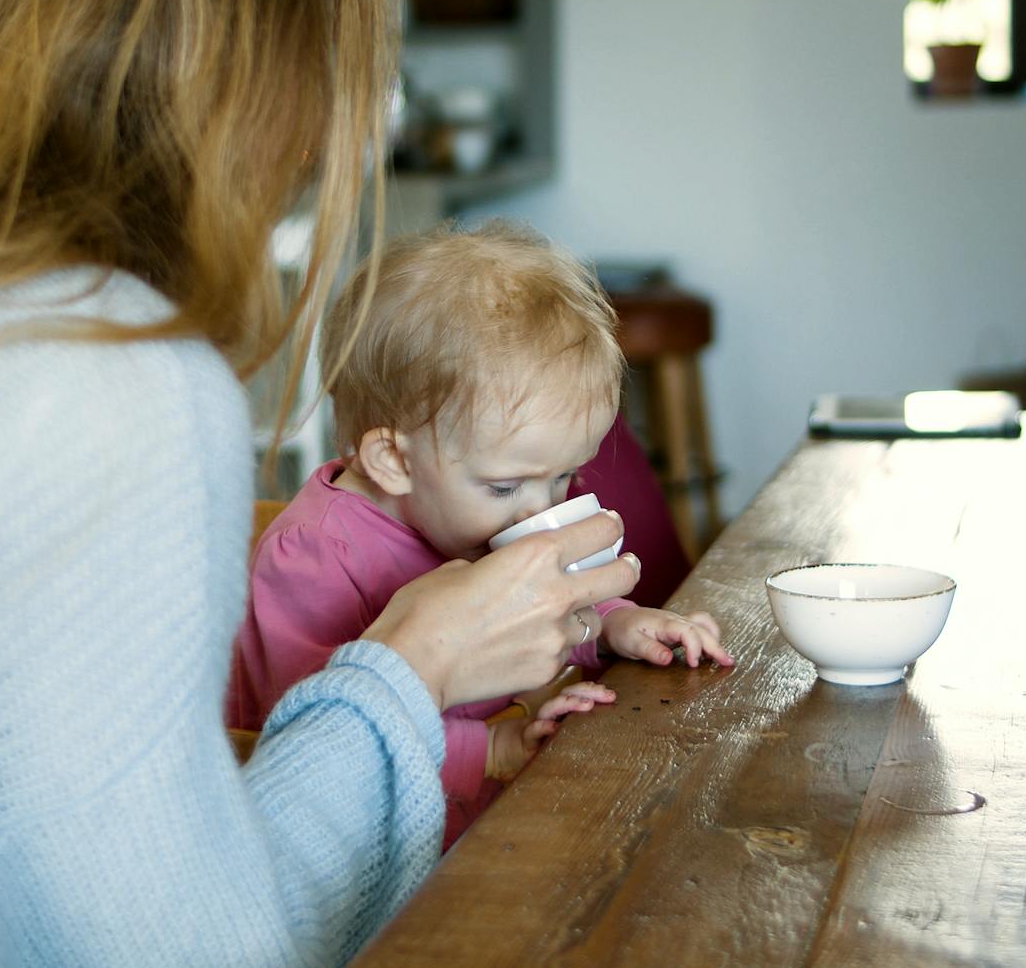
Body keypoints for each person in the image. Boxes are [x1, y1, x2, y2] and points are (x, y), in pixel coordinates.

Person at [0, 0, 640, 968]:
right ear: (255, 55)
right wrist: (414, 664)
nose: (320, 139)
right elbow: (210, 959)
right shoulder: (93, 364)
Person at [226, 223, 733, 848]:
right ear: (392, 460)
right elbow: (319, 738)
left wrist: (616, 625)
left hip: (479, 818)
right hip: (366, 862)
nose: (538, 510)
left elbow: (546, 609)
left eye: (564, 477)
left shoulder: (478, 505)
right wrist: (487, 748)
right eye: (504, 488)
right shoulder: (312, 555)